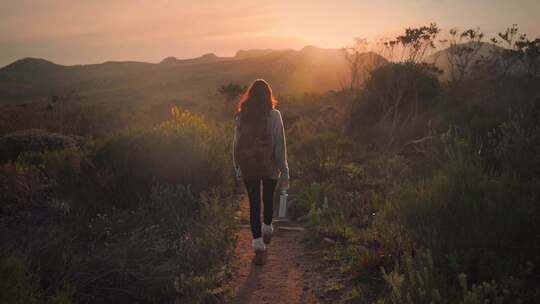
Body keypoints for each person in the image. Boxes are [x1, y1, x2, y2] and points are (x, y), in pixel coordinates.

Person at [232, 79, 289, 264]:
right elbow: (280, 144)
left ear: (250, 96)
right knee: (268, 198)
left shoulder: (242, 116)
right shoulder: (275, 115)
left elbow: (235, 145)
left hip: (249, 167)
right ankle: (267, 228)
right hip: (270, 166)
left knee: (254, 203)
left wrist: (238, 168)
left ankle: (257, 242)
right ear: (268, 95)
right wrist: (284, 168)